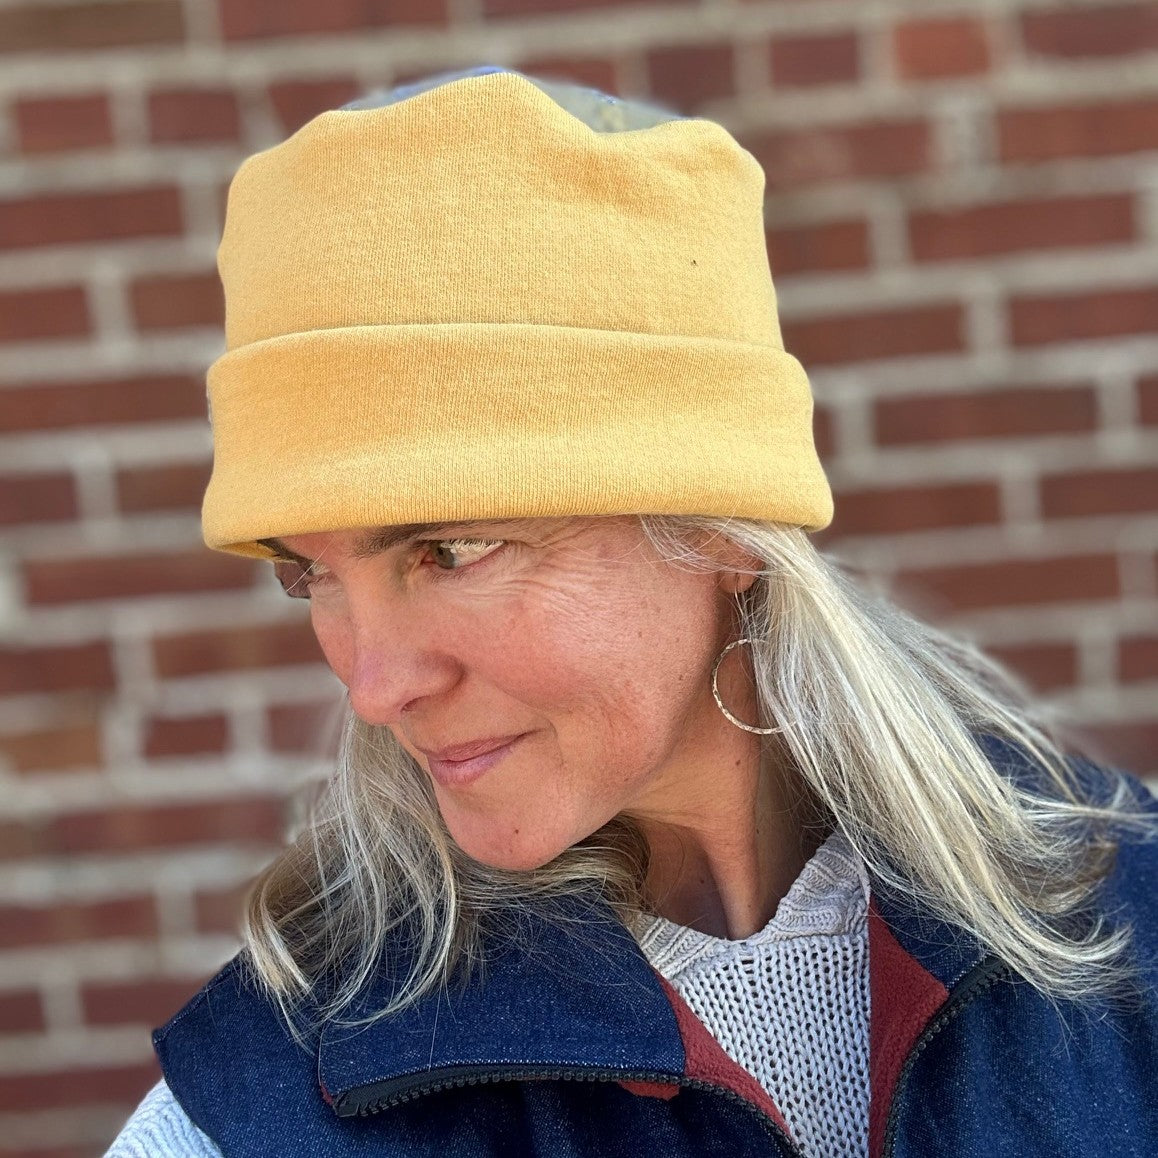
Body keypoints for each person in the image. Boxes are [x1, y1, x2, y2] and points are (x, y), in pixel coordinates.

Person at [106, 66, 1157, 1158]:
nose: (374, 688)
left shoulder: (1130, 923)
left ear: (722, 527)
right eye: (308, 573)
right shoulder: (257, 1113)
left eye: (449, 550)